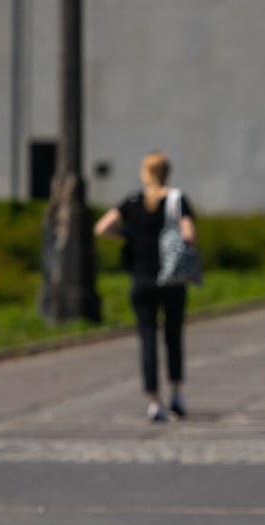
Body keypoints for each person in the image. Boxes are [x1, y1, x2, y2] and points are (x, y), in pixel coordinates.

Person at [93, 152, 195, 422]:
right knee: (173, 337)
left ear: (144, 172)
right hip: (171, 278)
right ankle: (176, 395)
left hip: (141, 278)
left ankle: (153, 402)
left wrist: (127, 235)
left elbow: (101, 228)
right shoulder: (176, 200)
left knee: (147, 339)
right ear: (167, 172)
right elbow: (189, 234)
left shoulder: (133, 201)